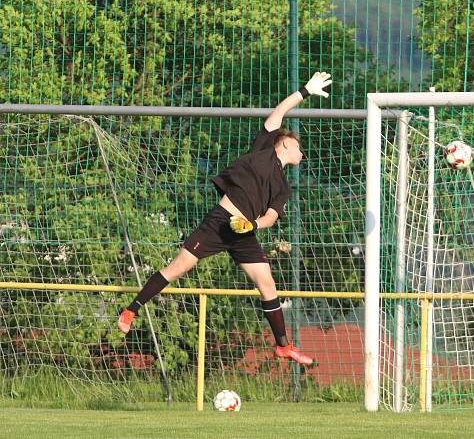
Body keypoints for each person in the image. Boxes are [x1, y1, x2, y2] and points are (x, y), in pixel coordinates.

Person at [117, 72, 333, 366]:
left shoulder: (283, 186)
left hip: (244, 232)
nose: (302, 152)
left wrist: (252, 225)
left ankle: (283, 346)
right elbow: (280, 112)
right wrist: (305, 91)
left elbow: (269, 217)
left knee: (267, 284)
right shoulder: (264, 148)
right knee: (179, 267)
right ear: (283, 144)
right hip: (220, 222)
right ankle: (131, 309)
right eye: (298, 146)